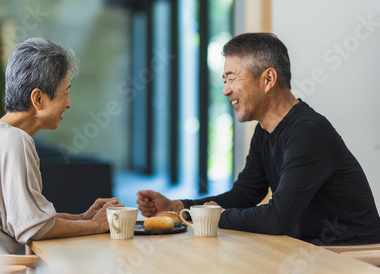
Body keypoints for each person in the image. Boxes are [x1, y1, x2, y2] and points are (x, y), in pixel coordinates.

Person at [137, 32, 380, 245]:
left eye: (232, 78)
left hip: (350, 254)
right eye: (224, 81)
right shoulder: (265, 131)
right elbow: (244, 195)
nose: (225, 90)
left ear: (268, 80)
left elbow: (278, 218)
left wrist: (216, 215)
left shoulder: (308, 131)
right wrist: (179, 207)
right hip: (308, 249)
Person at [0, 38, 122, 253]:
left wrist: (83, 217)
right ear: (38, 98)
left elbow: (27, 218)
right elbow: (33, 229)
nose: (69, 103)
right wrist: (97, 225)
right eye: (66, 93)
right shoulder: (16, 140)